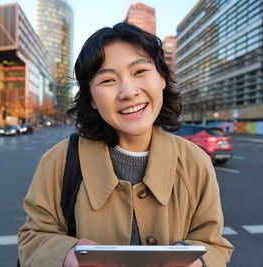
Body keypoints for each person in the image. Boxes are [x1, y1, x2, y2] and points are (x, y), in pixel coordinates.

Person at [18, 23, 233, 267]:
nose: (128, 92)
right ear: (91, 100)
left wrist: (199, 262)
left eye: (139, 71)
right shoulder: (59, 160)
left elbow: (215, 244)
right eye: (108, 80)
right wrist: (67, 254)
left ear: (162, 78)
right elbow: (32, 239)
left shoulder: (196, 161)